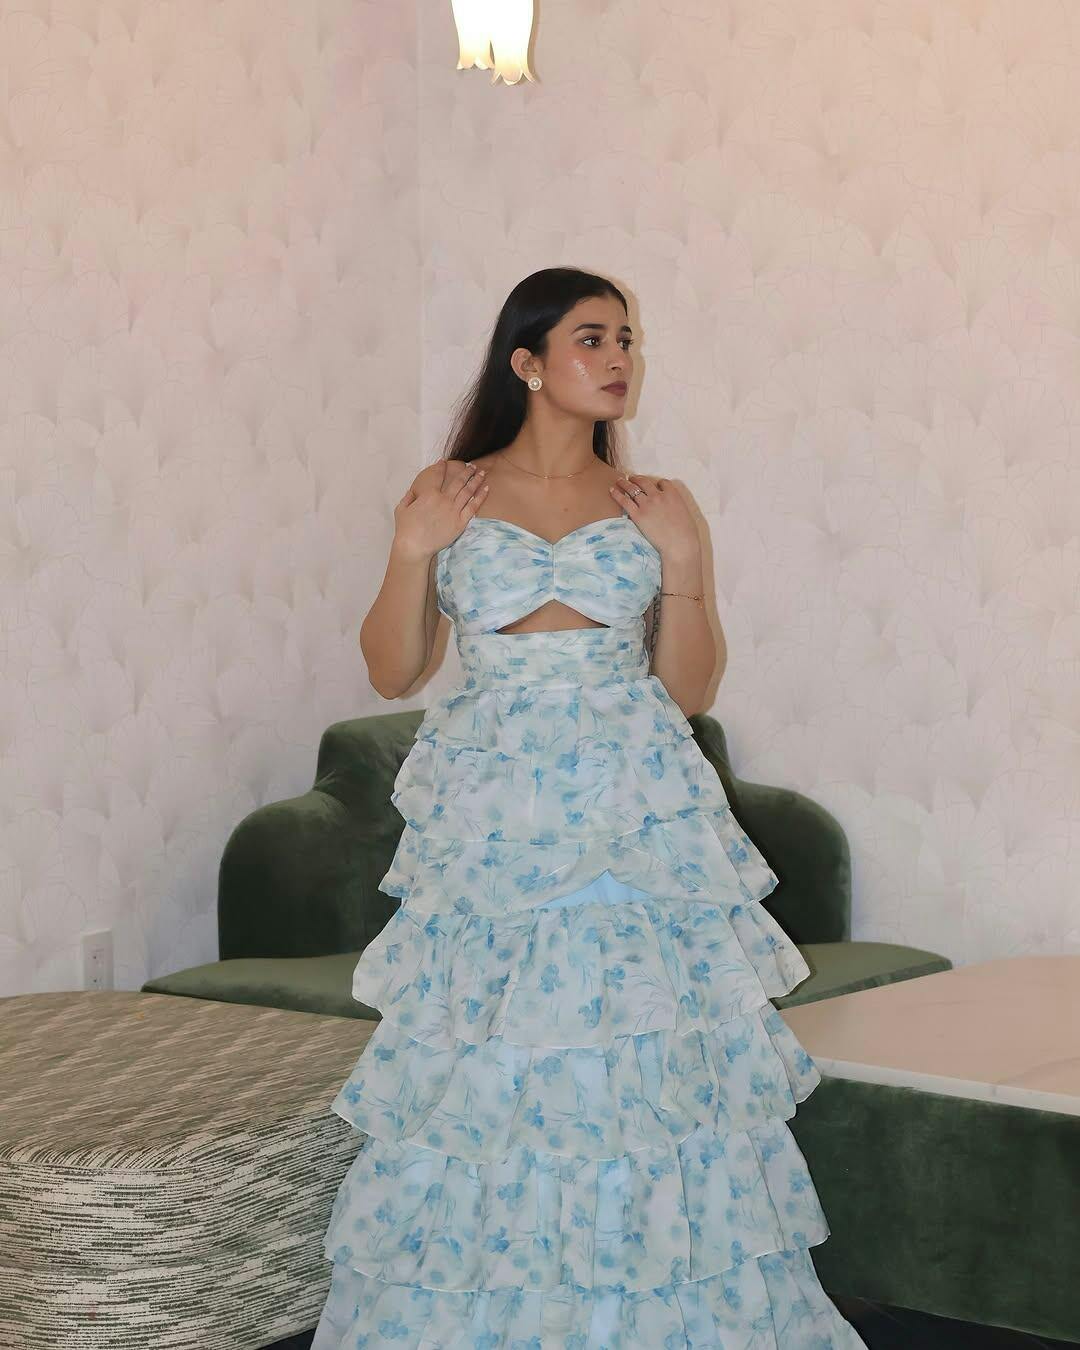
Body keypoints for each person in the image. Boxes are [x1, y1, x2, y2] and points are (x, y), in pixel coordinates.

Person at [310, 267, 868, 1348]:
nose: (619, 360)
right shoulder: (451, 492)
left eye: (626, 341)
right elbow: (391, 670)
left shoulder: (649, 503)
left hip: (630, 809)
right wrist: (410, 547)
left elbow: (686, 692)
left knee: (641, 1066)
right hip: (496, 816)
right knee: (496, 1063)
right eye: (593, 339)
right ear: (526, 362)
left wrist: (686, 561)